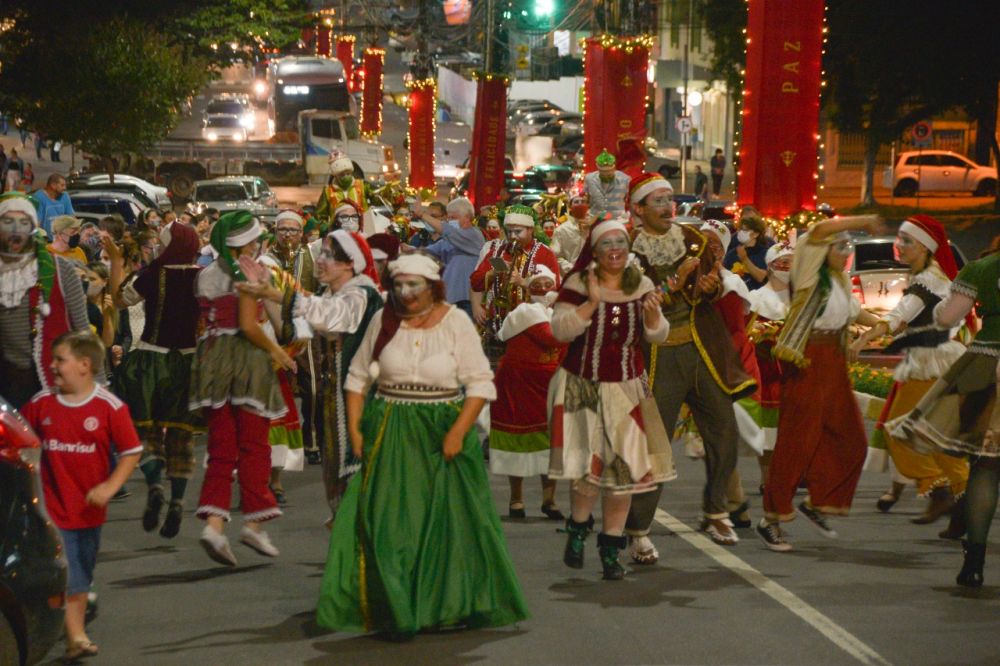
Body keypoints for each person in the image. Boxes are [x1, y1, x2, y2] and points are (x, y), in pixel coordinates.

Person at [316, 253, 528, 636]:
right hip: (391, 426)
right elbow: (357, 378)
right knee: (390, 521)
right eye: (399, 285)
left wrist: (458, 431)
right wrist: (356, 430)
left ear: (433, 287)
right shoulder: (384, 320)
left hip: (443, 426)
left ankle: (443, 604)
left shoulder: (456, 322)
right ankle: (397, 603)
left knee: (448, 522)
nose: (406, 293)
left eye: (415, 285)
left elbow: (480, 382)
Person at [625, 173, 756, 560]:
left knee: (724, 431)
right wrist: (676, 283)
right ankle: (639, 530)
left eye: (670, 200)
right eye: (658, 202)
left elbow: (711, 283)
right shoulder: (629, 251)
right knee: (657, 449)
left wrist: (709, 284)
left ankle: (716, 508)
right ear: (638, 209)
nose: (668, 208)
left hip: (701, 350)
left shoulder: (692, 240)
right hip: (657, 356)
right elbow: (636, 305)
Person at [548, 217, 674, 580]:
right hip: (583, 384)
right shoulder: (578, 282)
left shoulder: (642, 283)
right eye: (607, 243)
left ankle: (610, 548)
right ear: (595, 249)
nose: (615, 249)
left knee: (624, 473)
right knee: (589, 468)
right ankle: (578, 529)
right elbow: (559, 330)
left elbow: (656, 335)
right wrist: (591, 304)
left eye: (620, 242)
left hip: (625, 387)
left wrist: (653, 319)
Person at [757, 215, 886, 552]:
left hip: (833, 363)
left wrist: (889, 324)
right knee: (796, 441)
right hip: (807, 360)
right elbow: (816, 232)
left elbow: (857, 314)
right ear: (823, 250)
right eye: (840, 245)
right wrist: (863, 222)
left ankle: (818, 502)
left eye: (848, 246)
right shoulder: (809, 274)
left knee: (852, 439)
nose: (845, 252)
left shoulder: (840, 281)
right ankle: (771, 518)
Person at [240, 228, 384, 524]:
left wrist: (276, 293)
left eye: (328, 256)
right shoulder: (331, 293)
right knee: (338, 459)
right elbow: (297, 329)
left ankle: (361, 529)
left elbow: (330, 316)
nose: (320, 261)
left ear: (349, 264)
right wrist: (270, 298)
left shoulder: (362, 292)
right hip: (341, 391)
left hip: (364, 394)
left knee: (359, 460)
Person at [21, 331, 141, 661]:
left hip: (87, 513)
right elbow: (20, 439)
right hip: (49, 508)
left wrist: (109, 487)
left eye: (60, 359)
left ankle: (65, 620)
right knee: (69, 570)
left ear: (85, 365)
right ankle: (76, 636)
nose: (52, 366)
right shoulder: (40, 403)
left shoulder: (109, 407)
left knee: (81, 572)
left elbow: (131, 452)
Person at [888, 242, 1000, 586]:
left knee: (986, 466)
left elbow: (948, 317)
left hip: (989, 363)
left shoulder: (982, 268)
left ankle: (974, 563)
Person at [188, 211, 296, 566]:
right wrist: (280, 352)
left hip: (213, 359)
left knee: (221, 447)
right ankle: (253, 523)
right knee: (254, 445)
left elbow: (206, 320)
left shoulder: (205, 274)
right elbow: (250, 326)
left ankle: (215, 527)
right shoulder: (252, 271)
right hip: (246, 361)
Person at [850, 215, 969, 527]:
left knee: (899, 430)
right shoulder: (938, 277)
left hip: (930, 364)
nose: (899, 246)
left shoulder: (927, 281)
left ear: (926, 248)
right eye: (899, 239)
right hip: (939, 360)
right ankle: (961, 498)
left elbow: (898, 317)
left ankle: (942, 489)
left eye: (907, 241)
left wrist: (864, 337)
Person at [108, 221, 203, 539]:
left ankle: (155, 486)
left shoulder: (152, 275)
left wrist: (118, 263)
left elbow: (121, 300)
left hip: (151, 358)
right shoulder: (201, 278)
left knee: (144, 431)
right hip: (187, 361)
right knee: (181, 437)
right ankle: (177, 501)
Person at [489, 265, 566, 520]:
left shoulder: (556, 312)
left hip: (549, 385)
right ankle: (516, 499)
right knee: (517, 443)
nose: (544, 289)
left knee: (550, 442)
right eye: (539, 284)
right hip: (519, 386)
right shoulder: (526, 313)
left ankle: (549, 499)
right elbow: (553, 338)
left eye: (548, 283)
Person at [0, 194, 91, 407]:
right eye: (7, 222)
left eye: (23, 223)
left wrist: (95, 384)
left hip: (56, 382)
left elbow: (82, 330)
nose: (16, 230)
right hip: (7, 385)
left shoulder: (61, 269)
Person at [470, 205, 561, 365]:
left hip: (531, 329)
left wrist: (523, 282)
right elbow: (475, 282)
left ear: (531, 230)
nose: (512, 236)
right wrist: (491, 275)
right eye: (509, 231)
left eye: (518, 231)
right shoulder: (496, 250)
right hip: (496, 326)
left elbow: (554, 293)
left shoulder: (545, 253)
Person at [746, 240, 795, 491]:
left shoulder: (801, 300)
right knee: (768, 433)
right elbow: (743, 333)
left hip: (797, 372)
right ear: (770, 265)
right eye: (782, 262)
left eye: (791, 262)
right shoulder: (755, 298)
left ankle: (790, 475)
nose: (787, 267)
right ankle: (768, 480)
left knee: (795, 429)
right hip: (768, 373)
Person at [412, 197, 484, 318]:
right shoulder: (451, 239)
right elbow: (428, 251)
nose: (450, 221)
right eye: (448, 218)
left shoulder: (474, 235)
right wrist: (406, 249)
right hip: (450, 300)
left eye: (453, 218)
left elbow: (447, 230)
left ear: (467, 217)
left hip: (466, 301)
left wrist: (422, 214)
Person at [724, 207, 774, 290]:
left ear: (755, 234)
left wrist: (744, 259)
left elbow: (761, 277)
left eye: (745, 230)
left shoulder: (765, 253)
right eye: (740, 229)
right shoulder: (732, 253)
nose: (740, 233)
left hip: (758, 297)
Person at [316, 153, 369, 228]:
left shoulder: (362, 186)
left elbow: (378, 198)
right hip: (338, 231)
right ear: (335, 175)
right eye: (342, 174)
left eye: (348, 173)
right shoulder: (328, 191)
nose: (346, 176)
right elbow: (320, 215)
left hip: (361, 229)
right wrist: (325, 227)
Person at [551, 194, 592, 276]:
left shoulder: (595, 226)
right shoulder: (561, 230)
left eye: (583, 201)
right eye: (576, 202)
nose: (580, 204)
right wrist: (572, 269)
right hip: (571, 276)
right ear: (570, 207)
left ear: (587, 206)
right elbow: (555, 256)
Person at [583, 149, 630, 218]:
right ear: (598, 170)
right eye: (603, 172)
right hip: (595, 218)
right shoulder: (589, 179)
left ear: (614, 168)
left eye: (609, 172)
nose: (606, 175)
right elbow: (587, 198)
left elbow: (628, 199)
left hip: (617, 219)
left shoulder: (625, 179)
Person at [31, 173, 74, 239]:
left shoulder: (65, 196)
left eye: (65, 185)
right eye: (62, 185)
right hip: (45, 241)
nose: (65, 188)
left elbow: (71, 217)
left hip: (61, 240)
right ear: (53, 185)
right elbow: (36, 223)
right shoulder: (39, 197)